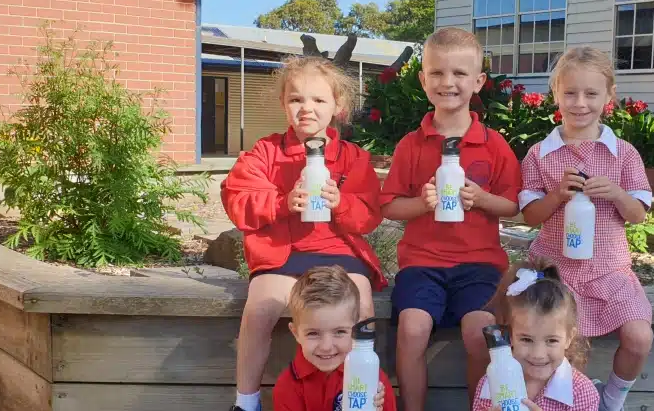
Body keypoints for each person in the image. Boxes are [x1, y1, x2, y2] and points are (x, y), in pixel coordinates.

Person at [220, 55, 388, 411]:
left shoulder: (353, 158)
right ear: (283, 103)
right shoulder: (265, 152)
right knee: (259, 310)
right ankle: (246, 401)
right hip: (282, 254)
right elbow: (237, 198)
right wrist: (281, 202)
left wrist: (341, 203)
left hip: (339, 252)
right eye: (296, 99)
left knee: (362, 306)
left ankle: (360, 393)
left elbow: (370, 213)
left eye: (318, 100)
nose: (306, 108)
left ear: (338, 106)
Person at [379, 26, 523, 411]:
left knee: (481, 333)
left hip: (480, 265)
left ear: (478, 81)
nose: (448, 82)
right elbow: (389, 205)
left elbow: (513, 205)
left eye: (459, 73)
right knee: (412, 329)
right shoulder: (412, 144)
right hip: (422, 264)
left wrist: (483, 199)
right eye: (437, 73)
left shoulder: (494, 144)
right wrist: (422, 204)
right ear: (423, 80)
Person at [517, 46, 654, 411]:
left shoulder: (623, 154)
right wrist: (557, 196)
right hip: (556, 271)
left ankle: (611, 399)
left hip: (610, 271)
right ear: (556, 94)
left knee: (639, 337)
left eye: (591, 93)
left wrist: (618, 193)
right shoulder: (540, 155)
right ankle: (570, 403)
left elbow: (638, 215)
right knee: (565, 356)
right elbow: (530, 216)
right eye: (570, 93)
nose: (580, 103)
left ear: (609, 96)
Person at [471, 257, 599, 411]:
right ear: (510, 336)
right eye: (526, 339)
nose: (538, 354)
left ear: (569, 338)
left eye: (551, 340)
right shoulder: (491, 385)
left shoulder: (581, 393)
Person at [269, 266, 396, 411]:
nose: (326, 346)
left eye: (340, 332)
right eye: (313, 333)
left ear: (355, 331)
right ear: (295, 333)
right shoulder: (287, 387)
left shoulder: (373, 379)